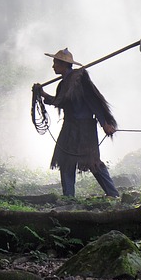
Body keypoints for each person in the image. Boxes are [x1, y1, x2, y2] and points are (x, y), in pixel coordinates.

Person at [32, 48, 120, 198]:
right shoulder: (63, 84)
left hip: (85, 127)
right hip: (69, 126)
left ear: (63, 65)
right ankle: (69, 198)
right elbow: (59, 102)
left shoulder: (80, 80)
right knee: (66, 160)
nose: (53, 66)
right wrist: (41, 93)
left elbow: (93, 102)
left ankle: (113, 194)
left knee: (93, 162)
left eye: (55, 63)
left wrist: (104, 123)